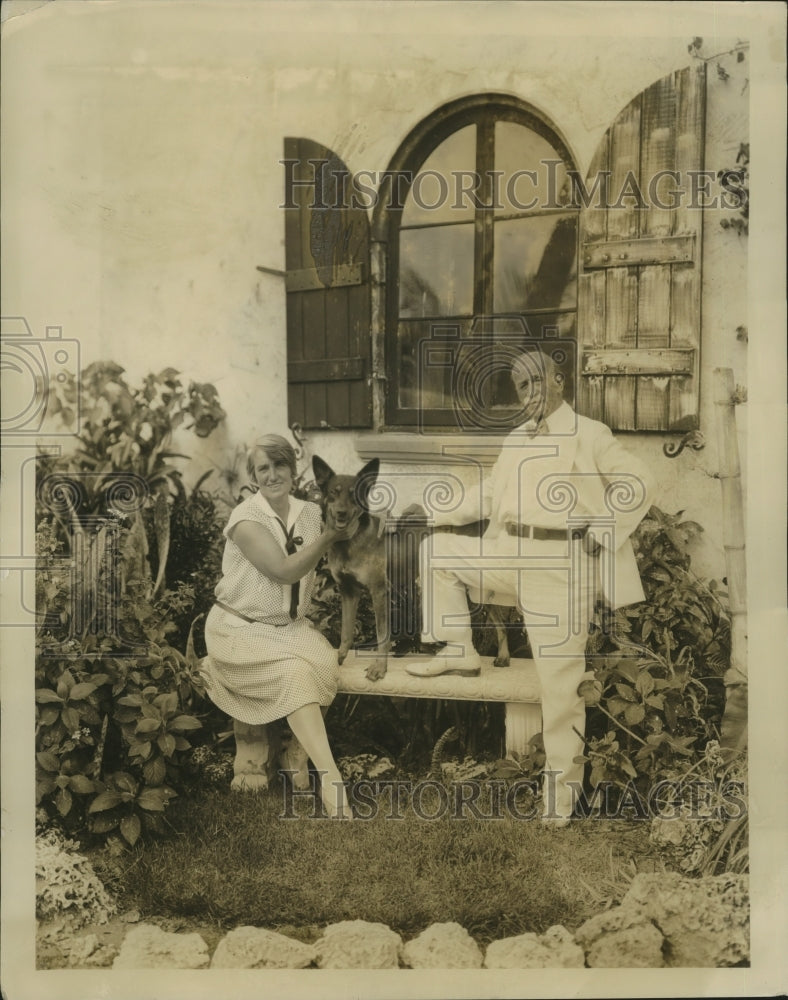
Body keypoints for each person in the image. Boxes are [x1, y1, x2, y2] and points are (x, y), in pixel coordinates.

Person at [404, 348, 653, 826]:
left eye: (537, 382)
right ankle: (459, 649)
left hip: (558, 565)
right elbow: (492, 495)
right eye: (521, 387)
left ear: (559, 382)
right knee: (438, 551)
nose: (530, 393)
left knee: (559, 687)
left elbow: (639, 483)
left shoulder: (589, 433)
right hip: (509, 553)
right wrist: (432, 512)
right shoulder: (517, 438)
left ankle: (559, 803)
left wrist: (601, 534)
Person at [202, 433, 358, 818]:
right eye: (263, 468)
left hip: (285, 629)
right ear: (254, 476)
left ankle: (295, 754)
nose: (273, 475)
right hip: (238, 628)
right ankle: (331, 780)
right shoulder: (246, 518)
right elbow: (285, 571)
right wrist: (329, 538)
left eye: (280, 465)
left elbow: (349, 522)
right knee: (295, 675)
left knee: (323, 663)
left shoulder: (309, 511)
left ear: (293, 467)